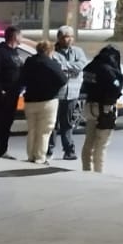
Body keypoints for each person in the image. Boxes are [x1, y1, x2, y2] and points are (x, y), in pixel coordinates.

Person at [17, 39, 66, 164]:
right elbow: (63, 79)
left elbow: (21, 80)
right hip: (47, 101)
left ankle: (31, 156)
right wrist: (52, 88)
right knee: (44, 131)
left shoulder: (29, 62)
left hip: (30, 100)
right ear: (50, 51)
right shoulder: (51, 63)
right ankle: (40, 157)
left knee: (32, 130)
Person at [80, 45, 123, 172]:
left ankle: (86, 170)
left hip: (89, 107)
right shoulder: (108, 70)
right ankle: (98, 172)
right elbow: (116, 86)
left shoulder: (90, 67)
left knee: (89, 141)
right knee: (101, 144)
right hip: (104, 109)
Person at [0, 26, 27, 158]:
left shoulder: (15, 52)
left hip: (13, 93)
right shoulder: (0, 52)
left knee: (7, 122)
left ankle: (2, 149)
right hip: (1, 94)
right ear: (14, 37)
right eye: (20, 35)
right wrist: (0, 90)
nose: (22, 38)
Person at [46, 26, 86, 161]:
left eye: (71, 37)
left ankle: (69, 150)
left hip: (72, 93)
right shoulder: (52, 52)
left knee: (68, 123)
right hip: (56, 93)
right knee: (53, 124)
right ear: (59, 38)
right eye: (65, 37)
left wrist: (65, 66)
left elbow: (81, 65)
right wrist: (71, 68)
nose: (69, 39)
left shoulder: (78, 51)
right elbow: (55, 67)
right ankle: (48, 150)